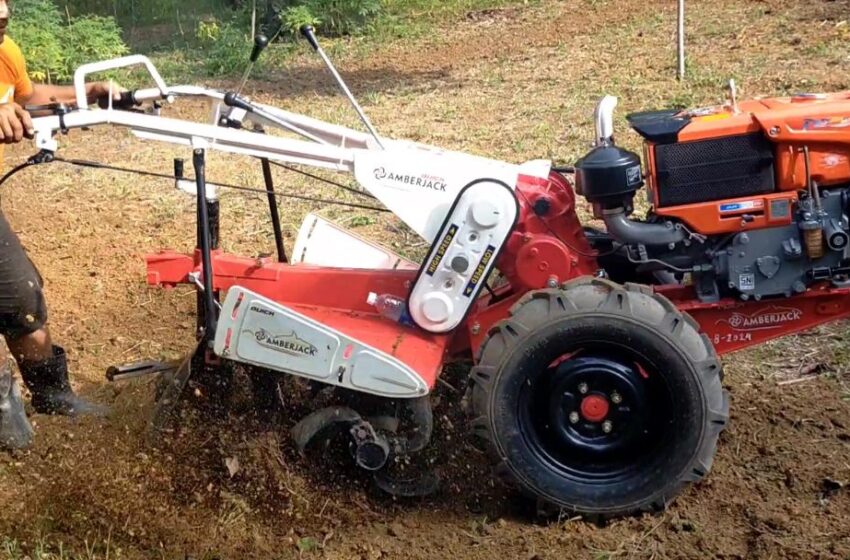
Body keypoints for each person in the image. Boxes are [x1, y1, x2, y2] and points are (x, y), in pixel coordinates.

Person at [0, 0, 123, 450]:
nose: (2, 19)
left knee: (21, 299)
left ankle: (53, 396)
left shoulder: (5, 50)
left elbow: (25, 96)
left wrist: (83, 92)